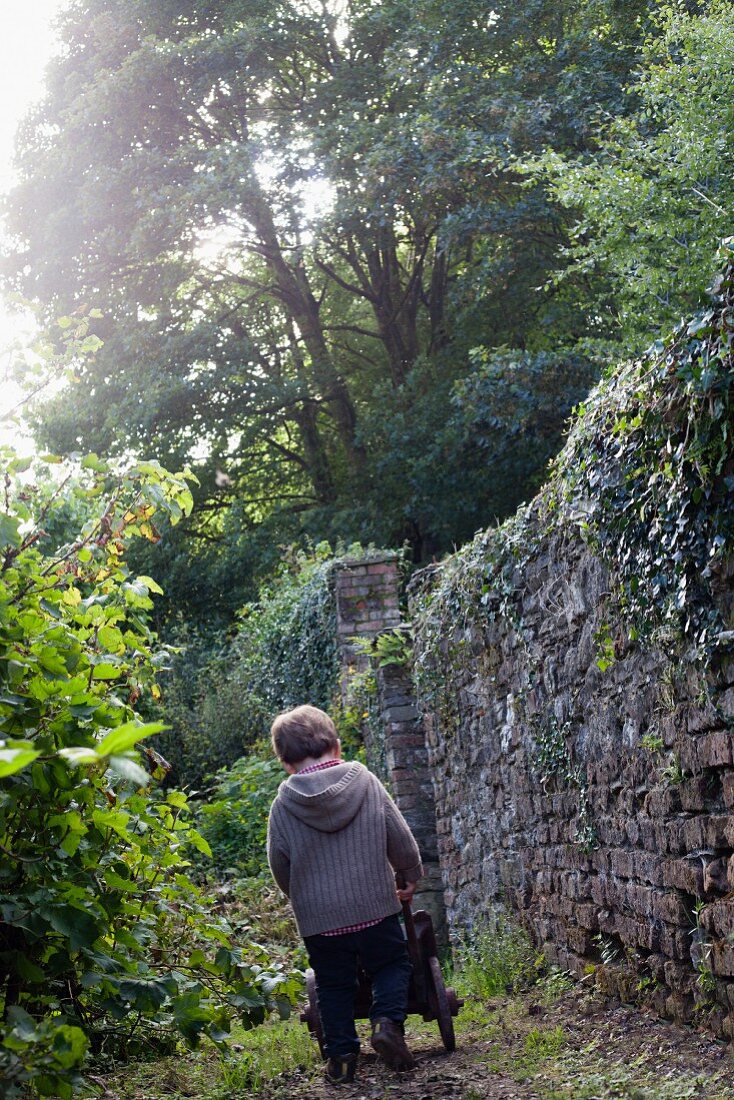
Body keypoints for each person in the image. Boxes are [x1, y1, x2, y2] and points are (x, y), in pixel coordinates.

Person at [267, 703, 423, 1085]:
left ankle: (340, 1058)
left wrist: (302, 897)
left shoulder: (283, 805)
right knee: (391, 964)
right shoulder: (366, 781)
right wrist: (409, 873)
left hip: (320, 921)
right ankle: (386, 1024)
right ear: (335, 746)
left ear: (286, 763)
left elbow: (279, 865)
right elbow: (398, 835)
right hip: (374, 906)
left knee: (333, 984)